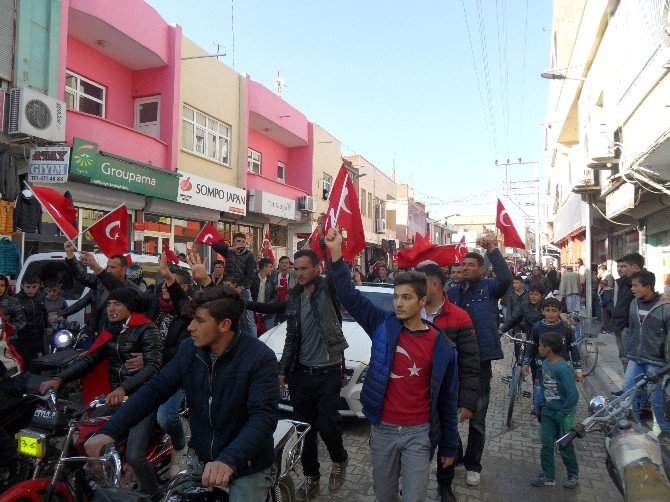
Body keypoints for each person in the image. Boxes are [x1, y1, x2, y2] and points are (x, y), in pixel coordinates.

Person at [84, 286, 279, 501]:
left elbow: (263, 417)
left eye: (200, 321)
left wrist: (229, 460)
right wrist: (110, 430)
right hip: (202, 460)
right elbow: (154, 389)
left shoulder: (259, 357)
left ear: (224, 324)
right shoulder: (189, 350)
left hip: (247, 467)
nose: (191, 327)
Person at [326, 229, 459, 502]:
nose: (398, 303)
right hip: (383, 429)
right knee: (384, 497)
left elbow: (446, 399)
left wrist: (449, 443)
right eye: (396, 296)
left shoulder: (441, 345)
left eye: (407, 297)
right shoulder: (382, 325)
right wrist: (337, 255)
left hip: (418, 434)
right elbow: (350, 297)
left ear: (422, 301)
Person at [246, 248, 349, 500]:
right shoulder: (294, 297)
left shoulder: (329, 290)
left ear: (318, 268)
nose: (299, 273)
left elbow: (340, 275)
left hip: (329, 370)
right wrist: (283, 371)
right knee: (305, 430)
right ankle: (312, 478)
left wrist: (333, 248)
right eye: (295, 268)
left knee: (327, 422)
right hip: (301, 374)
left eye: (304, 268)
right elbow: (287, 331)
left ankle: (339, 459)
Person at [39, 287, 163, 496]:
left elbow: (154, 366)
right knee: (83, 435)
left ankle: (154, 495)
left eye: (117, 304)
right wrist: (59, 379)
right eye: (108, 304)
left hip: (143, 399)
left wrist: (125, 387)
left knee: (134, 455)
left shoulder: (147, 329)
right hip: (116, 398)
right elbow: (90, 359)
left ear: (130, 307)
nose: (111, 309)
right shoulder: (110, 329)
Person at [447, 235, 512, 487]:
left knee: (477, 416)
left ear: (482, 269)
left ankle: (474, 464)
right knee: (449, 412)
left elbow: (506, 278)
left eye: (471, 265)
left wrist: (493, 250)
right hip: (454, 360)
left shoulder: (489, 288)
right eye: (463, 265)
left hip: (480, 360)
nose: (465, 269)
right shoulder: (451, 293)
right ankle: (458, 455)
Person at [416, 264, 479, 502]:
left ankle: (444, 486)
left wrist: (468, 402)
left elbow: (470, 363)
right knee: (419, 444)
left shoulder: (459, 317)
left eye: (420, 282)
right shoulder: (412, 312)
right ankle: (414, 482)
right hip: (416, 394)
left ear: (434, 285)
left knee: (447, 441)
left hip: (447, 395)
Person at [62, 241, 142, 345]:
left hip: (119, 339)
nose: (108, 270)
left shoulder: (133, 290)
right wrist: (70, 254)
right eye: (108, 266)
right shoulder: (100, 283)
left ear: (124, 269)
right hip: (95, 334)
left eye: (113, 267)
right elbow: (81, 277)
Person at [622, 270, 670, 439]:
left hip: (656, 361)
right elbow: (633, 329)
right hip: (636, 357)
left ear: (648, 287)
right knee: (628, 390)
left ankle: (665, 430)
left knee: (656, 397)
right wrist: (629, 350)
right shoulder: (634, 303)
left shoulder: (665, 307)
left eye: (635, 285)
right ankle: (633, 424)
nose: (632, 289)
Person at [531, 332, 579, 489]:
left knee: (564, 445)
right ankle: (548, 475)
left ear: (548, 348)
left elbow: (573, 395)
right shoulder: (545, 363)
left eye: (540, 345)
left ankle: (572, 474)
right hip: (547, 412)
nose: (538, 348)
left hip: (561, 414)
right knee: (546, 444)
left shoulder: (563, 368)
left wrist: (563, 413)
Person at [523, 297, 582, 383]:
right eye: (547, 310)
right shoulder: (537, 327)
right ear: (542, 311)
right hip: (541, 368)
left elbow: (574, 349)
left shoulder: (566, 328)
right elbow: (532, 346)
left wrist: (578, 370)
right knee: (539, 394)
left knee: (563, 393)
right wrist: (526, 363)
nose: (551, 314)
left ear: (559, 311)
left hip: (562, 369)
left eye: (554, 311)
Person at [212, 233, 257, 337]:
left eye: (243, 242)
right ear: (234, 242)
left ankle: (253, 341)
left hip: (243, 289)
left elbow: (250, 274)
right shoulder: (229, 252)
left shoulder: (249, 255)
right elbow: (215, 246)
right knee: (231, 315)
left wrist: (242, 287)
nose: (240, 244)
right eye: (238, 241)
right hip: (229, 288)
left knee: (248, 318)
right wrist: (231, 248)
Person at [610, 253, 644, 372]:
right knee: (623, 356)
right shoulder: (623, 282)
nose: (622, 269)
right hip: (619, 323)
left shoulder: (641, 282)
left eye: (625, 266)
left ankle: (631, 387)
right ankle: (627, 387)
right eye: (619, 266)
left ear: (634, 267)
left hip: (628, 326)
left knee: (630, 358)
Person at [15, 275, 48, 364]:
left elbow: (44, 313)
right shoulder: (16, 299)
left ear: (39, 286)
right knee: (25, 362)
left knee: (39, 361)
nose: (31, 290)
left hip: (38, 336)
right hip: (22, 337)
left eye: (34, 287)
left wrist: (48, 326)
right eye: (28, 287)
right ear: (22, 286)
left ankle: (39, 377)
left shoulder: (41, 297)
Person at [251, 257, 278, 331]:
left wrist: (267, 305)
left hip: (267, 314)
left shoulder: (272, 280)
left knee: (269, 335)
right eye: (270, 267)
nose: (272, 269)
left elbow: (275, 295)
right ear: (265, 268)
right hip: (253, 314)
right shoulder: (252, 279)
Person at [0, 274, 25, 339]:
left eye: (2, 285)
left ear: (6, 287)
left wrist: (8, 329)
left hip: (8, 341)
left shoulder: (13, 302)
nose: (0, 288)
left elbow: (22, 321)